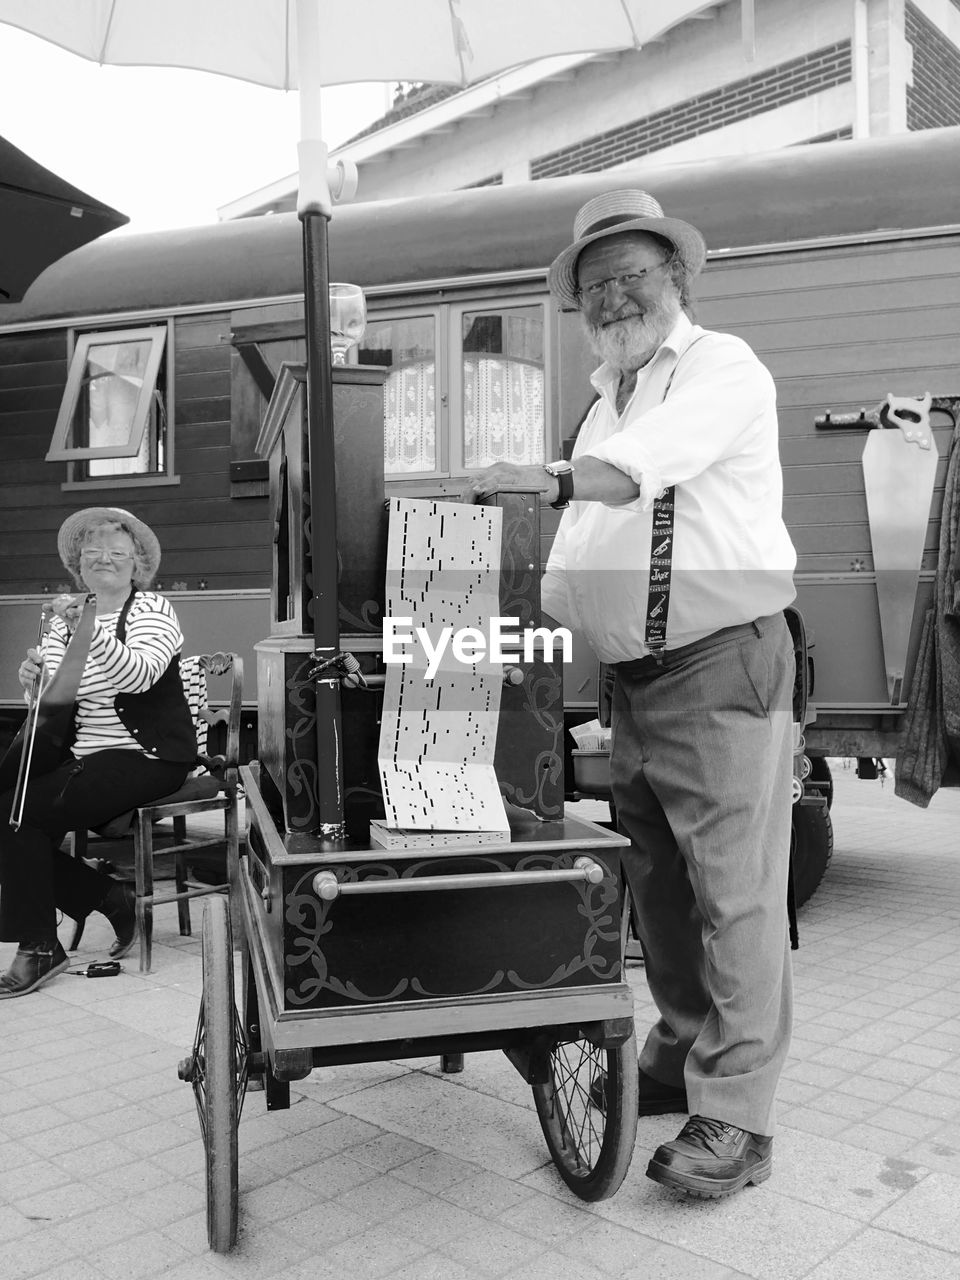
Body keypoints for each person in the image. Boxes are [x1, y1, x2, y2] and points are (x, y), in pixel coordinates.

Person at [466, 190, 797, 1198]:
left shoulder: (718, 368)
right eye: (595, 282)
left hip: (721, 659)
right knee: (658, 886)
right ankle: (684, 1044)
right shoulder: (607, 396)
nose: (615, 294)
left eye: (633, 275)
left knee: (735, 892)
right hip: (638, 680)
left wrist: (551, 478)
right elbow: (580, 554)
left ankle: (737, 1116)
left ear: (677, 280)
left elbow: (639, 472)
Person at [0, 508, 197, 998]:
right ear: (78, 563)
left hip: (148, 756)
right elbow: (54, 706)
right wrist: (35, 684)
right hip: (85, 756)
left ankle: (41, 946)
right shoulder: (65, 620)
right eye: (92, 552)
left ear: (137, 562)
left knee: (18, 817)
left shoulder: (153, 610)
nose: (103, 559)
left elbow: (140, 675)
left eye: (116, 552)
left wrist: (89, 631)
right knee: (6, 815)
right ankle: (109, 896)